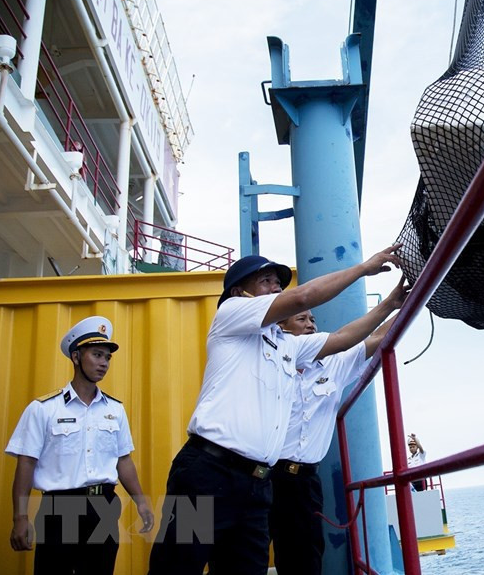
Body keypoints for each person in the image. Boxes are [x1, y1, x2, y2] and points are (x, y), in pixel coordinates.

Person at [148, 245, 405, 575]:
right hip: (207, 474)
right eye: (266, 281)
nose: (276, 288)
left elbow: (343, 338)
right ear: (239, 292)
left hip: (256, 485)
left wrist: (390, 304)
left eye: (278, 283)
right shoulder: (231, 314)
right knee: (176, 567)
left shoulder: (287, 345)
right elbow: (303, 297)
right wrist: (363, 268)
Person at [269, 283, 404, 575]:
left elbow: (377, 337)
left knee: (303, 561)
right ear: (280, 328)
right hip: (256, 474)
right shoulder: (267, 362)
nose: (311, 324)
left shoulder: (334, 365)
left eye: (313, 319)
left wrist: (414, 302)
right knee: (222, 550)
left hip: (301, 482)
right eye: (301, 318)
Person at [6, 316, 154, 575]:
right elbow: (26, 463)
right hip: (59, 509)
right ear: (76, 357)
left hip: (103, 507)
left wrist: (141, 502)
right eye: (97, 355)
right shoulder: (44, 409)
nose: (104, 363)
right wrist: (20, 517)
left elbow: (123, 460)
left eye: (107, 357)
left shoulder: (115, 410)